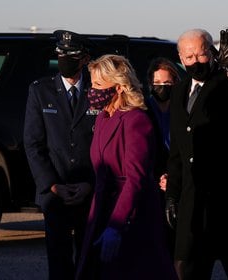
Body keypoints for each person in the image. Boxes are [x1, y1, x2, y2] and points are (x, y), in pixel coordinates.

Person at [165, 28, 228, 280]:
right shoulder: (179, 92)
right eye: (189, 58)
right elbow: (178, 152)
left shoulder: (227, 83)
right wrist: (172, 195)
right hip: (193, 203)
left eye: (201, 55)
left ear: (212, 52)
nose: (195, 62)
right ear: (180, 59)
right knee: (189, 270)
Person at [75, 54, 177, 280]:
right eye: (92, 84)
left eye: (99, 85)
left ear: (119, 87)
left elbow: (135, 178)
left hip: (131, 216)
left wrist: (116, 225)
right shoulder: (103, 117)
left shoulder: (136, 120)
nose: (93, 90)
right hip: (102, 209)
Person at [24, 30, 95, 280]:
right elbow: (33, 144)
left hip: (89, 192)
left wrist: (90, 183)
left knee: (90, 263)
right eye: (60, 53)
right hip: (55, 194)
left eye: (71, 54)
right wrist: (52, 185)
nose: (64, 58)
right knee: (59, 263)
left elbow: (105, 145)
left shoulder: (99, 91)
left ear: (84, 59)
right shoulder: (40, 90)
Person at [145, 57, 181, 191]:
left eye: (167, 83)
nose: (162, 87)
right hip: (151, 180)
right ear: (150, 84)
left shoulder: (182, 110)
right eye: (157, 82)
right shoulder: (144, 111)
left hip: (176, 179)